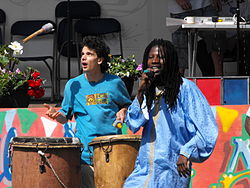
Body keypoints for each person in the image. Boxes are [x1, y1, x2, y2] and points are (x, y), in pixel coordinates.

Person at [123, 39, 218, 187]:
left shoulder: (186, 89)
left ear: (171, 60)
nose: (155, 61)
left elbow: (207, 130)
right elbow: (134, 123)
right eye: (150, 57)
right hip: (144, 170)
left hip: (172, 170)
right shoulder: (148, 90)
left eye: (161, 57)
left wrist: (186, 152)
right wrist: (141, 91)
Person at [44, 36, 131, 188]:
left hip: (111, 153)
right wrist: (57, 116)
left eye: (89, 54)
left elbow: (127, 106)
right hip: (84, 156)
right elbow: (66, 117)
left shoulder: (115, 83)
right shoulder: (73, 84)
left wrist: (123, 110)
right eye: (83, 54)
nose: (83, 57)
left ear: (100, 60)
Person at [168, 0, 226, 76]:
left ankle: (219, 77)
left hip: (206, 4)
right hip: (180, 8)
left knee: (216, 33)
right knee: (181, 43)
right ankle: (178, 80)